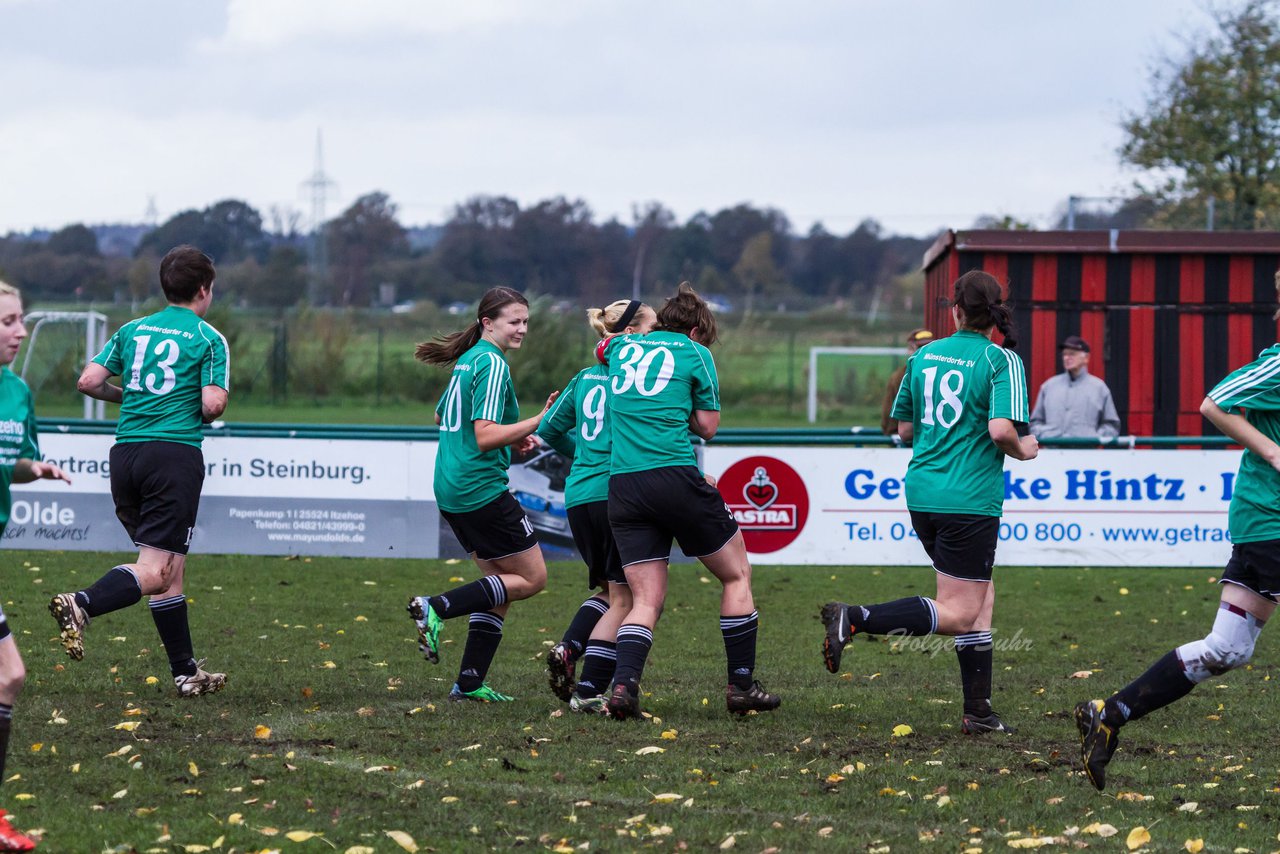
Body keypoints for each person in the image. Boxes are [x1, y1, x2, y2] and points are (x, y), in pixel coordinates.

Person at [1075, 272, 1280, 790]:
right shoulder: (1277, 363)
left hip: (1265, 523)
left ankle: (1110, 712)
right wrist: (1274, 452)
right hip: (1271, 519)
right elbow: (1214, 402)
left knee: (1227, 649)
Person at [821, 270, 1038, 734]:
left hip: (923, 494)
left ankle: (978, 712)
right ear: (996, 313)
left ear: (956, 311)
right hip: (969, 500)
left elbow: (903, 430)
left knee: (980, 598)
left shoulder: (923, 357)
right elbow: (1003, 431)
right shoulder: (1001, 360)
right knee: (960, 610)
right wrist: (1027, 449)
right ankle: (856, 618)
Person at [51, 245, 230, 697]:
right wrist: (186, 406)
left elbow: (88, 381)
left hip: (126, 455)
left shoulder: (132, 330)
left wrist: (130, 399)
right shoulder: (208, 337)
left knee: (170, 566)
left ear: (166, 286)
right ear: (204, 290)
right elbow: (212, 404)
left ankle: (186, 673)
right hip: (172, 456)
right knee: (156, 568)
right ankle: (82, 603)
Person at [601, 282, 780, 719]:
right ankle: (741, 686)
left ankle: (623, 689)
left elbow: (602, 349)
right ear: (697, 330)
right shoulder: (696, 353)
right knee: (737, 575)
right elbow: (708, 427)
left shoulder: (621, 349)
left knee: (645, 599)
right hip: (675, 477)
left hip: (623, 485)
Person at [407, 287, 558, 703]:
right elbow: (485, 434)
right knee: (533, 578)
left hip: (452, 485)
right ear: (488, 323)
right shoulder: (491, 363)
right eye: (514, 321)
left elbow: (443, 415)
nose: (522, 329)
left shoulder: (469, 360)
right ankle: (436, 606)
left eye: (526, 321)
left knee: (500, 585)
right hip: (479, 486)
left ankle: (469, 683)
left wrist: (513, 440)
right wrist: (536, 422)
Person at [538, 299, 658, 712]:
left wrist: (585, 453)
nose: (657, 337)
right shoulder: (638, 382)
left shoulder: (584, 378)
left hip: (579, 496)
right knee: (625, 600)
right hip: (616, 495)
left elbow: (549, 429)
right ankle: (589, 690)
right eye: (651, 329)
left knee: (611, 591)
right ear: (629, 335)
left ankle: (572, 648)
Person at [0, 281, 72, 851]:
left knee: (9, 677)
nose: (19, 332)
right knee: (8, 676)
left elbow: (13, 465)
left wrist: (36, 469)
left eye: (19, 320)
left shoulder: (16, 392)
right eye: (6, 322)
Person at [1028, 335, 1120, 440]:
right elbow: (1035, 423)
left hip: (1086, 453)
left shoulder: (1099, 388)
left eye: (1072, 354)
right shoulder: (1049, 387)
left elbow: (1112, 425)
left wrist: (1094, 437)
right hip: (1053, 453)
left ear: (1086, 358)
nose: (1066, 358)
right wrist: (1046, 435)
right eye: (1064, 354)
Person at [881, 328, 935, 437]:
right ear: (910, 350)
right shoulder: (900, 377)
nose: (925, 351)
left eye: (929, 347)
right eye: (919, 348)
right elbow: (890, 419)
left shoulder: (940, 373)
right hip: (907, 439)